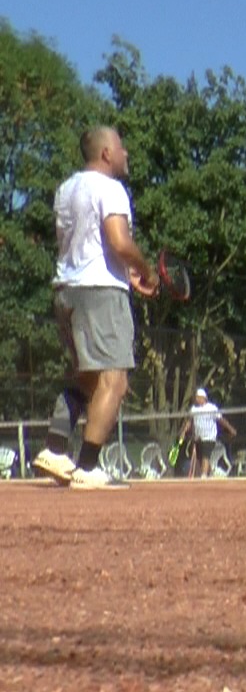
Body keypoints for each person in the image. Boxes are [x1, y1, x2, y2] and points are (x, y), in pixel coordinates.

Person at [33, 126, 156, 489]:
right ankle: (87, 467)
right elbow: (119, 241)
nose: (126, 153)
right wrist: (145, 270)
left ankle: (55, 448)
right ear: (106, 153)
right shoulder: (111, 188)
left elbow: (87, 244)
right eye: (121, 147)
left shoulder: (67, 189)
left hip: (66, 290)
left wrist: (125, 271)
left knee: (88, 379)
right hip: (100, 292)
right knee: (114, 381)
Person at [176, 388, 239, 478]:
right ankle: (208, 473)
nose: (196, 399)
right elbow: (189, 421)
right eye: (196, 397)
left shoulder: (211, 408)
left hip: (209, 436)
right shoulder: (194, 409)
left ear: (203, 398)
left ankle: (204, 476)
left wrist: (231, 429)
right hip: (198, 437)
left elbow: (221, 420)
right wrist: (183, 432)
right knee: (200, 457)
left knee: (206, 455)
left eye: (198, 397)